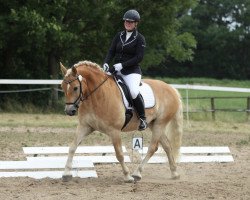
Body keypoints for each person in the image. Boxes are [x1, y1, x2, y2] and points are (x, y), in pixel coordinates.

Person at [103, 9, 147, 131]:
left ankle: (143, 118)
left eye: (131, 22)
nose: (128, 23)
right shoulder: (119, 35)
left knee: (133, 91)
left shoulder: (140, 39)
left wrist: (122, 65)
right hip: (116, 69)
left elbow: (139, 57)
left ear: (136, 23)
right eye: (126, 21)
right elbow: (111, 51)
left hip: (132, 71)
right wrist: (106, 62)